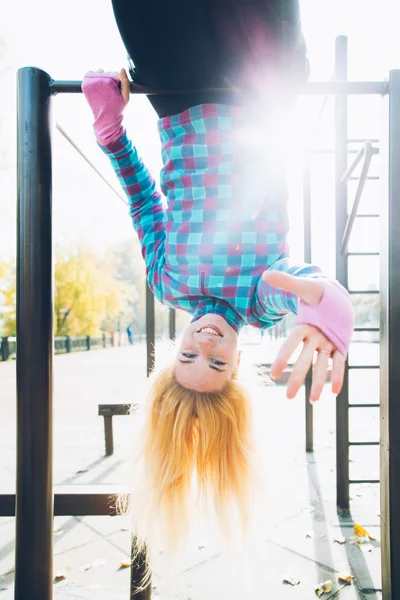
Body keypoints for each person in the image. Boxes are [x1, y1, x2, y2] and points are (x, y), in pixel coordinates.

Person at [81, 0, 353, 564]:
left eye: (187, 358)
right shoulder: (261, 301)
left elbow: (143, 198)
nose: (204, 345)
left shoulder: (167, 280)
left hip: (177, 98)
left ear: (171, 352)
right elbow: (306, 286)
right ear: (237, 364)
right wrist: (327, 306)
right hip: (257, 87)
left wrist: (110, 131)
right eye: (218, 363)